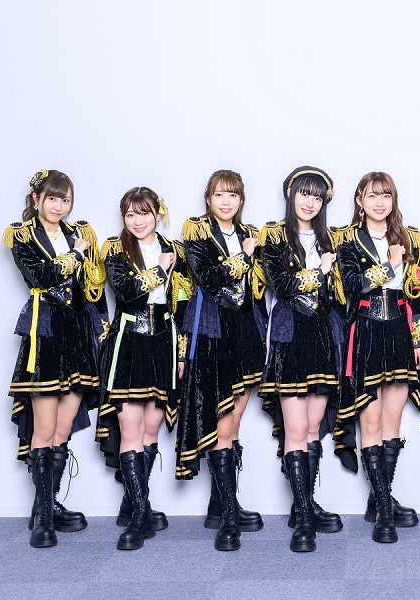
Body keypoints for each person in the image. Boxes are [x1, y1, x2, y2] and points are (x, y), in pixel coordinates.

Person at [4, 169, 108, 548]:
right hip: (45, 333)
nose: (58, 206)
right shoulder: (21, 236)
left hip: (78, 333)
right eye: (52, 198)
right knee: (44, 429)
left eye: (65, 199)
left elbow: (94, 288)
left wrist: (102, 328)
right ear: (36, 200)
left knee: (63, 430)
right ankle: (45, 519)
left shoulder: (81, 232)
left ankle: (46, 506)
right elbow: (42, 277)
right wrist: (76, 253)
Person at [332, 172, 420, 543]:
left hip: (401, 332)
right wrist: (389, 265)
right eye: (372, 195)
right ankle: (385, 512)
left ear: (393, 200)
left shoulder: (410, 238)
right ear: (359, 200)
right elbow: (352, 286)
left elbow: (419, 295)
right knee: (370, 421)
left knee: (393, 422)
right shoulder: (347, 240)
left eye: (385, 195)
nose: (379, 202)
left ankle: (381, 500)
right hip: (367, 333)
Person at [96, 187, 193, 550]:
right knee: (130, 428)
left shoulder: (176, 249)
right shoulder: (115, 249)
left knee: (152, 428)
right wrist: (159, 270)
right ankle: (141, 516)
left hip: (164, 342)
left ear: (158, 214)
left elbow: (183, 304)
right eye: (130, 215)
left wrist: (181, 354)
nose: (137, 221)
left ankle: (138, 505)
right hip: (128, 341)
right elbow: (126, 292)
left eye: (144, 213)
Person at [175, 169, 267, 551]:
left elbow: (258, 291)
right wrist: (243, 257)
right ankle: (229, 518)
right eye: (219, 195)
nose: (226, 201)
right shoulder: (197, 233)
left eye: (232, 195)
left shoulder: (252, 234)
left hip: (245, 333)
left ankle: (222, 504)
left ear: (241, 200)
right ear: (208, 199)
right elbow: (209, 278)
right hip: (214, 334)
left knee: (235, 422)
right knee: (222, 424)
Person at [259, 167, 344, 553]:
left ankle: (304, 505)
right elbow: (283, 285)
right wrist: (320, 271)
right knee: (295, 429)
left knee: (312, 429)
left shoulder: (331, 239)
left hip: (322, 335)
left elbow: (340, 293)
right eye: (304, 193)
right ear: (290, 194)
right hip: (290, 335)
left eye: (317, 196)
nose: (310, 202)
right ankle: (305, 518)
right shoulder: (274, 236)